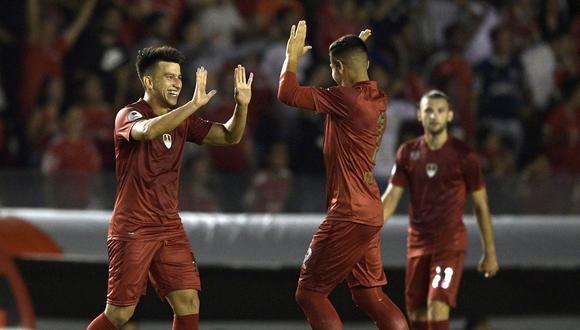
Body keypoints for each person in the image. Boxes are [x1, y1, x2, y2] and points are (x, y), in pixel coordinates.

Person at [87, 45, 253, 330]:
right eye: (169, 77)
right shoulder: (128, 115)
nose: (177, 83)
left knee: (188, 301)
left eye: (178, 77)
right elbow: (149, 131)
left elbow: (229, 137)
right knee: (119, 315)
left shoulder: (182, 120)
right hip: (133, 226)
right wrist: (193, 105)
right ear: (149, 81)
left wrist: (243, 105)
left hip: (169, 225)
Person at [278, 20, 409, 330]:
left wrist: (292, 57)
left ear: (338, 67)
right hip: (370, 207)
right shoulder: (377, 98)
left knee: (310, 293)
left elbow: (287, 93)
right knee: (369, 294)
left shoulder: (346, 99)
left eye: (333, 69)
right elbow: (353, 71)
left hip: (348, 210)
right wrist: (355, 46)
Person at [381, 90, 499, 330]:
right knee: (418, 315)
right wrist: (365, 232)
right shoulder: (408, 152)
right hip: (417, 243)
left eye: (439, 111)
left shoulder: (464, 156)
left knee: (437, 305)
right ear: (419, 115)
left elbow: (480, 204)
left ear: (449, 115)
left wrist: (490, 251)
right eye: (428, 111)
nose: (434, 116)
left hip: (449, 243)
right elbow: (392, 197)